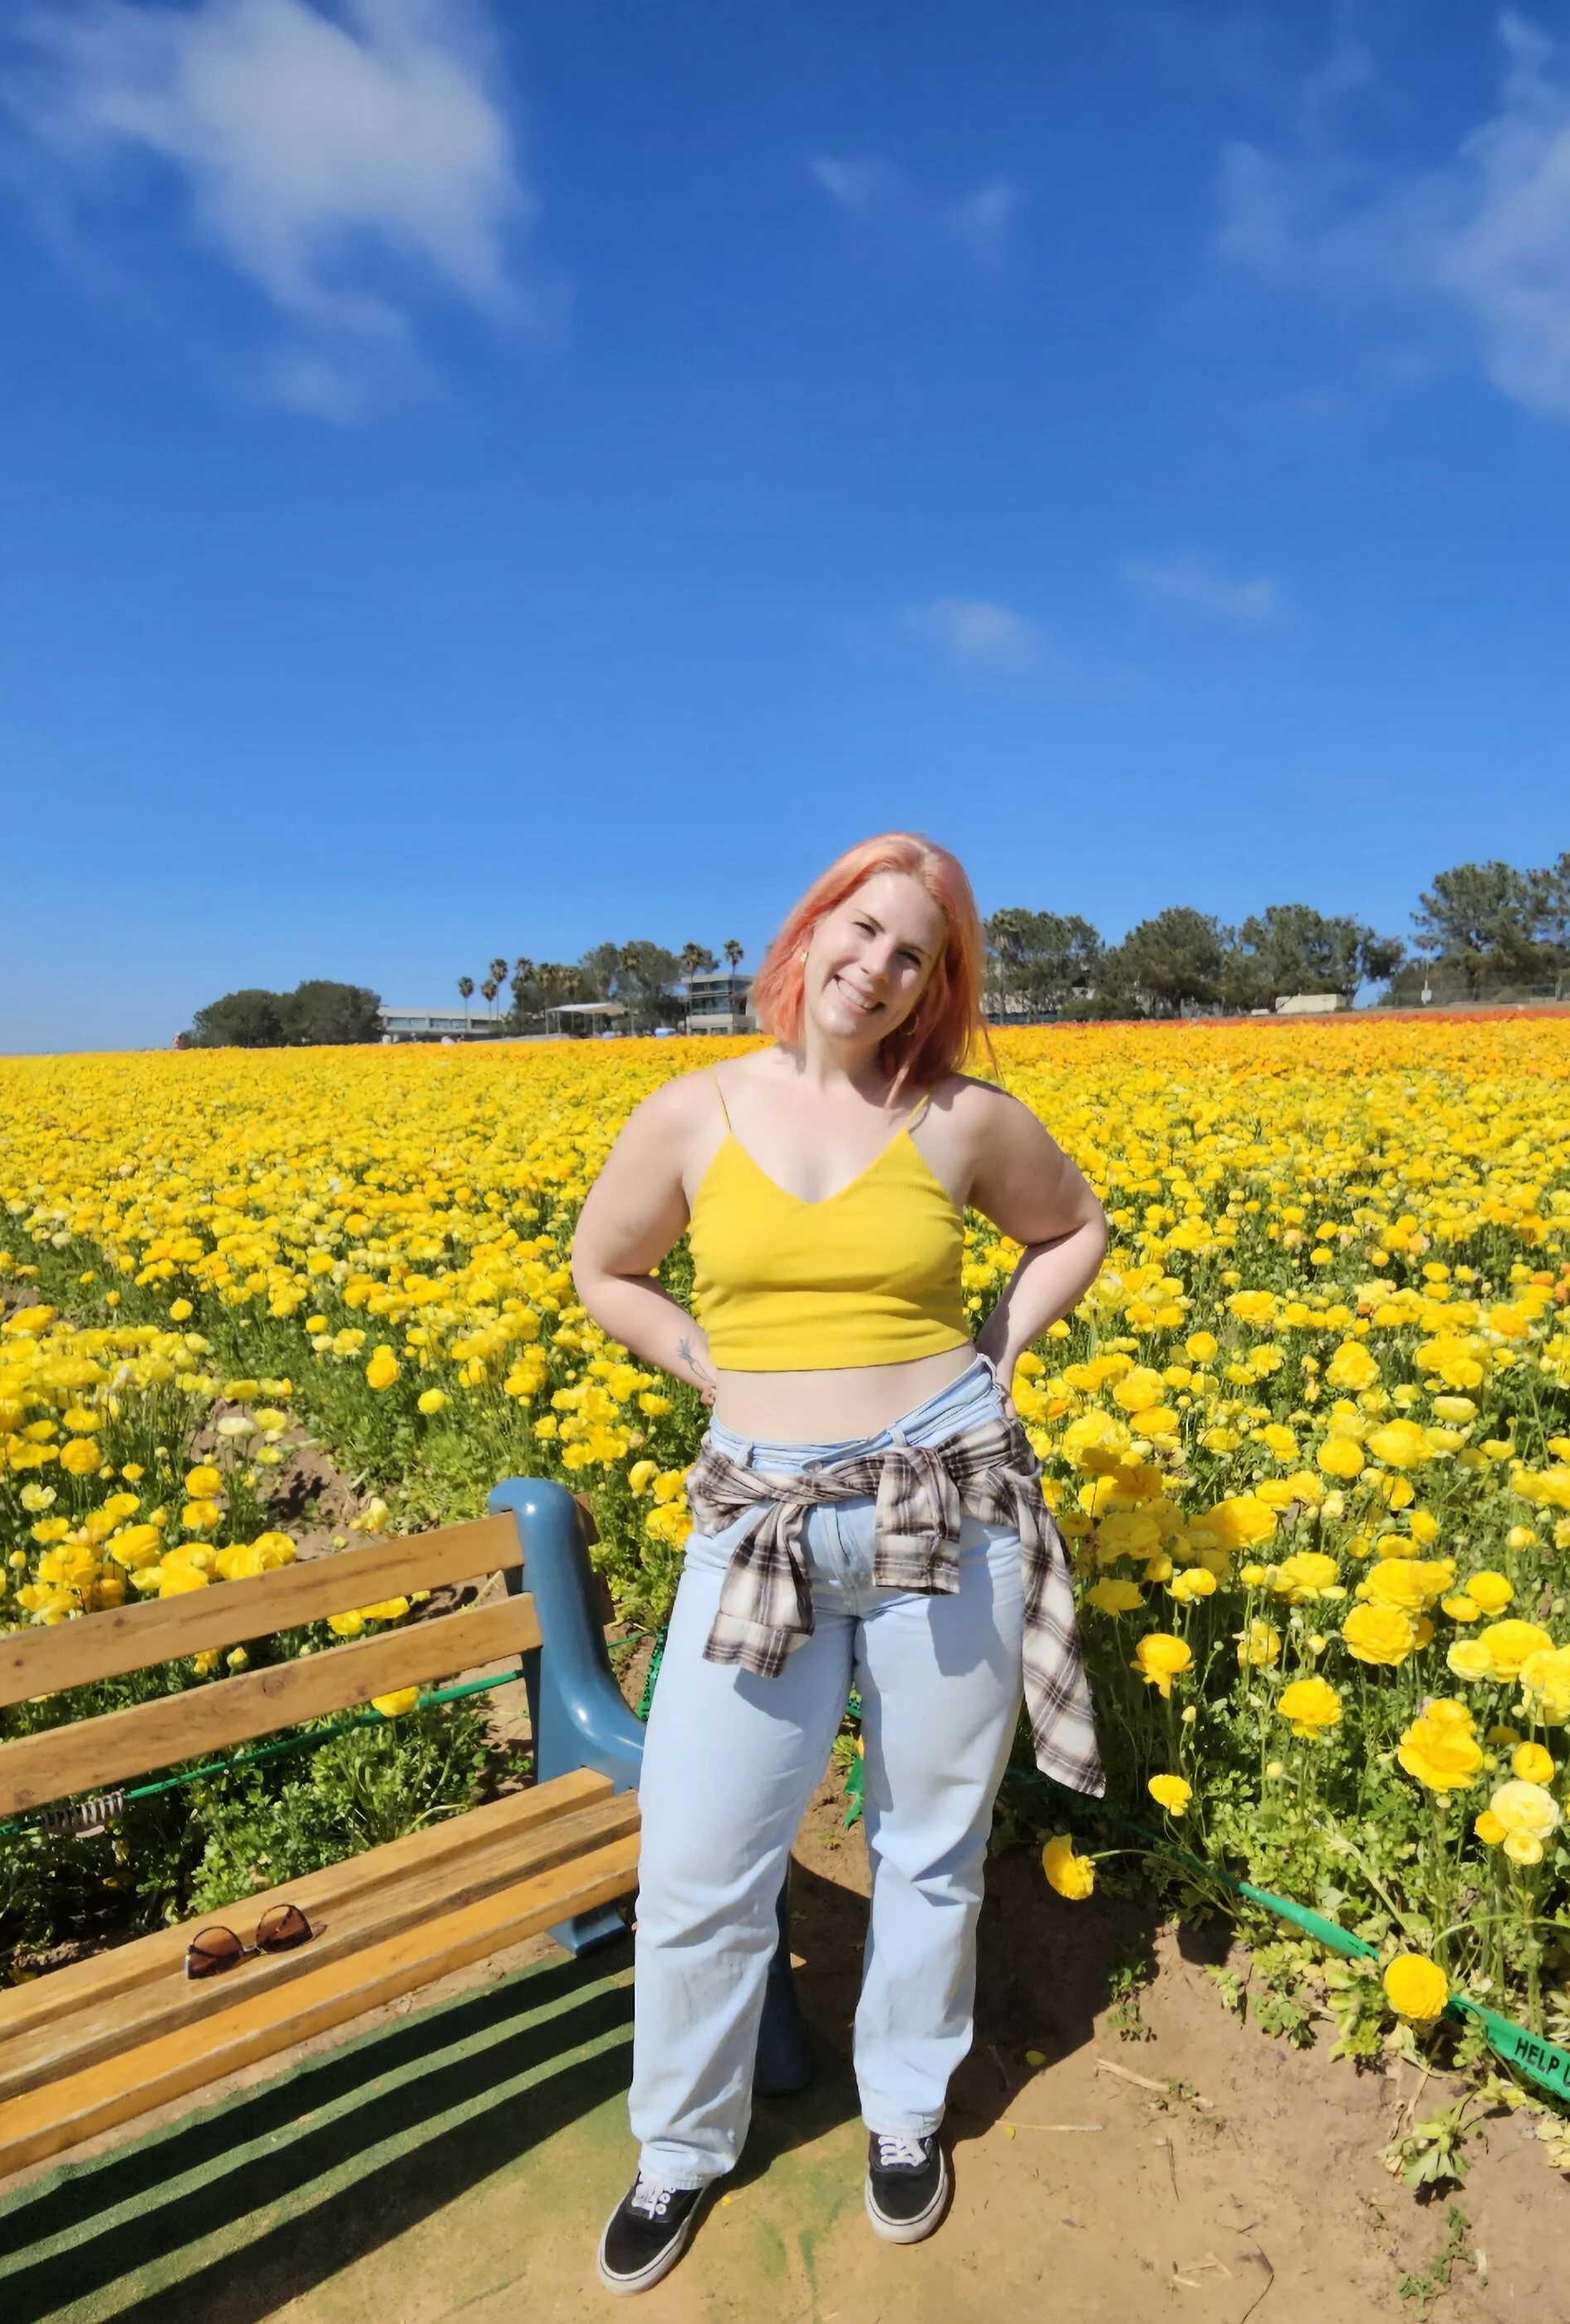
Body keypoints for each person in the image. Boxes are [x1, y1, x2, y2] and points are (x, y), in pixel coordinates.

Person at [570, 831, 1108, 2294]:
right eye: (860, 931)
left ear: (936, 987)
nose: (875, 969)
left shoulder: (964, 1118)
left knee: (928, 1847)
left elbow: (1076, 1228)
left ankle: (907, 2112)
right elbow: (603, 1267)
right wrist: (699, 1360)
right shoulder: (691, 1113)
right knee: (696, 1859)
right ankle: (680, 2146)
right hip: (760, 1523)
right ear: (810, 934)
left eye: (912, 956)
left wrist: (996, 1355)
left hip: (949, 1509)